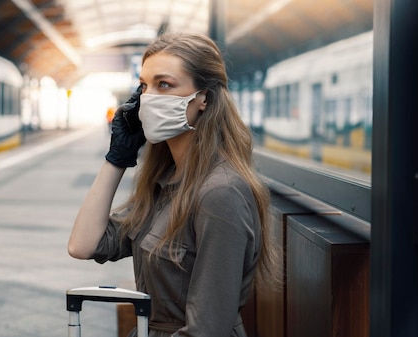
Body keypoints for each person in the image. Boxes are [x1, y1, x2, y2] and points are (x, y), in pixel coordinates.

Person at [68, 32, 279, 337]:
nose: (148, 98)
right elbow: (84, 245)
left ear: (203, 98)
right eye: (144, 86)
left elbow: (206, 330)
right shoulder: (165, 182)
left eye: (164, 85)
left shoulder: (221, 193)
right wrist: (117, 158)